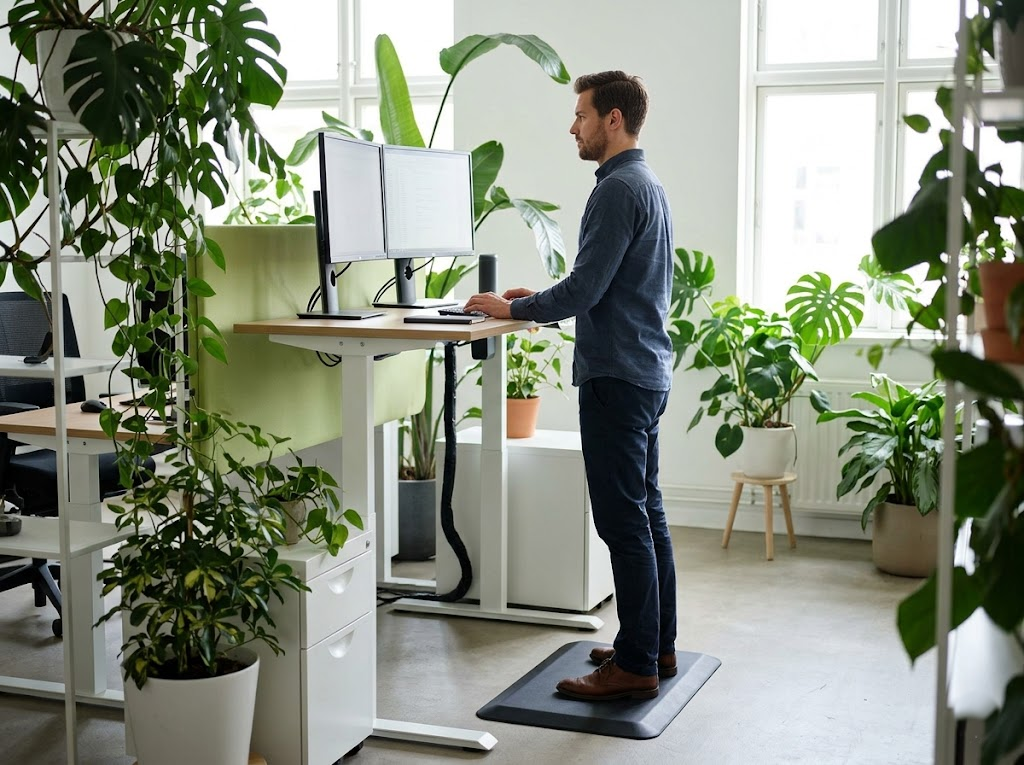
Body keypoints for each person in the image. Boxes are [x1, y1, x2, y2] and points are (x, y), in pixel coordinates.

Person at [463, 71, 677, 701]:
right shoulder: (647, 183)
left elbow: (586, 289)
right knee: (648, 515)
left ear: (613, 119)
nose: (572, 126)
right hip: (645, 370)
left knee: (623, 521)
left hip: (617, 375)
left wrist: (510, 311)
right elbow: (604, 282)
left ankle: (636, 662)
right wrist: (539, 299)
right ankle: (655, 644)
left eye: (580, 114)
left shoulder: (616, 191)